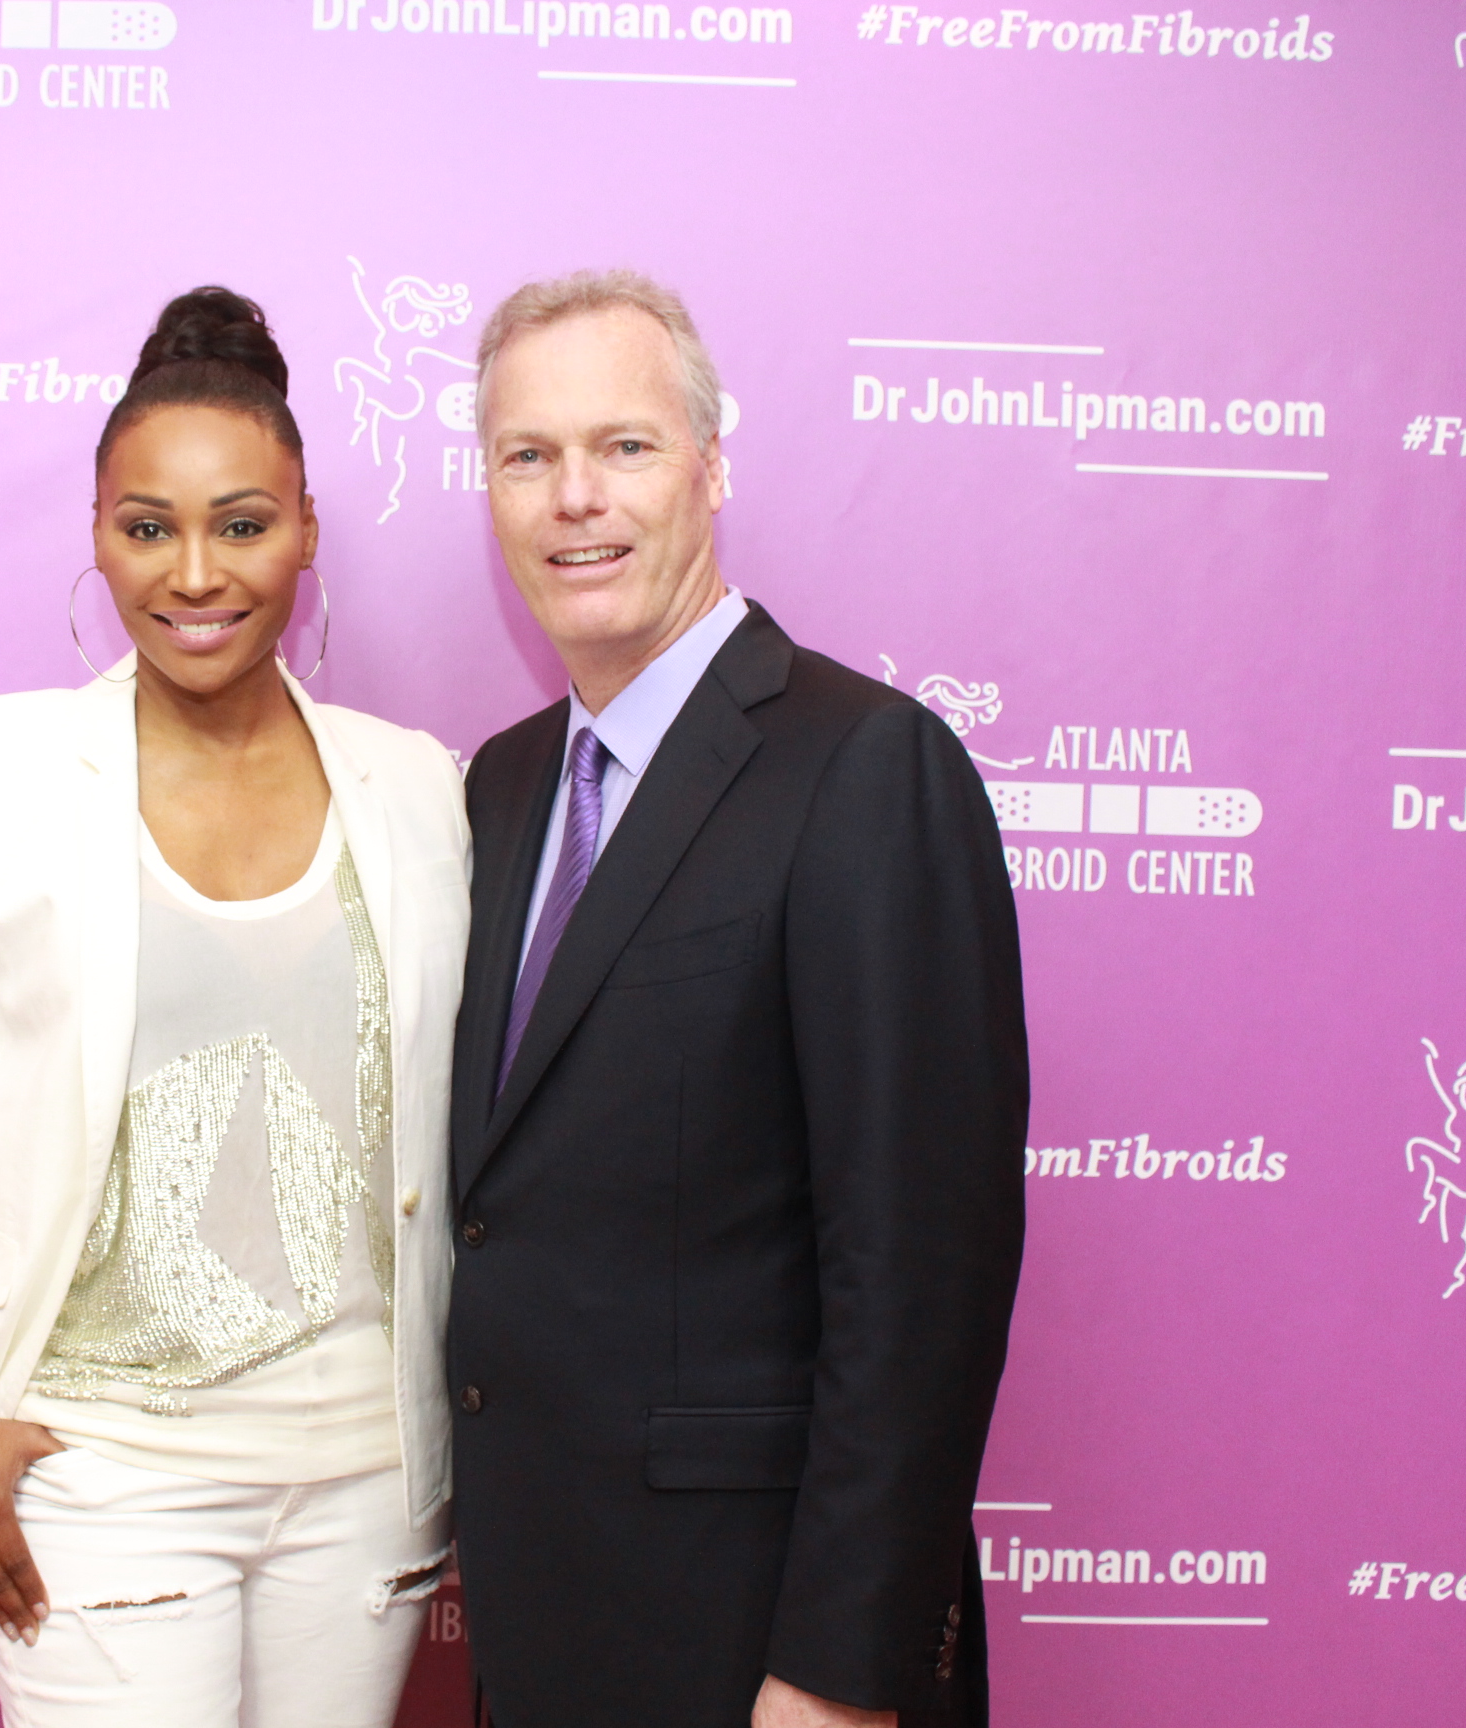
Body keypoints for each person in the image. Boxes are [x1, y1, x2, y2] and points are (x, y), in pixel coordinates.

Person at [0, 287, 470, 1728]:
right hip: (97, 1480)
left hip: (371, 1490)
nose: (195, 574)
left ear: (307, 531)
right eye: (148, 528)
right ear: (96, 534)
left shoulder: (420, 789)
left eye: (242, 525)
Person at [445, 270, 1028, 1728]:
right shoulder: (503, 788)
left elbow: (920, 1273)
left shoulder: (866, 766)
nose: (576, 496)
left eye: (625, 446)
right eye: (528, 455)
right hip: (545, 1624)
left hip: (763, 1646)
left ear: (711, 466)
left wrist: (841, 1671)